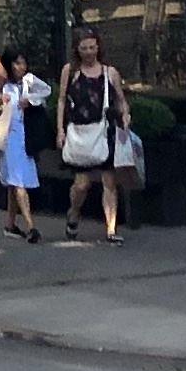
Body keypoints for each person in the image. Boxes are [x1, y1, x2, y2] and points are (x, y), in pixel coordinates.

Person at [57, 29, 132, 244]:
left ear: (98, 47)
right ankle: (74, 212)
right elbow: (61, 99)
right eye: (84, 48)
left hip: (104, 131)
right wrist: (60, 130)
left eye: (92, 47)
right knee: (81, 184)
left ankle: (111, 229)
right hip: (79, 132)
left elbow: (121, 99)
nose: (89, 52)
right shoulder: (70, 71)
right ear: (77, 49)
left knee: (109, 181)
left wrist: (125, 114)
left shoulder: (109, 73)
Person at [0, 56, 44, 243]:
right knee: (18, 181)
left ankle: (10, 224)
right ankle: (31, 226)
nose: (21, 67)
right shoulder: (1, 84)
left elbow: (45, 91)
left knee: (14, 181)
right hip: (6, 137)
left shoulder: (28, 82)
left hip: (23, 137)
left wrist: (31, 101)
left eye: (23, 63)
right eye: (17, 63)